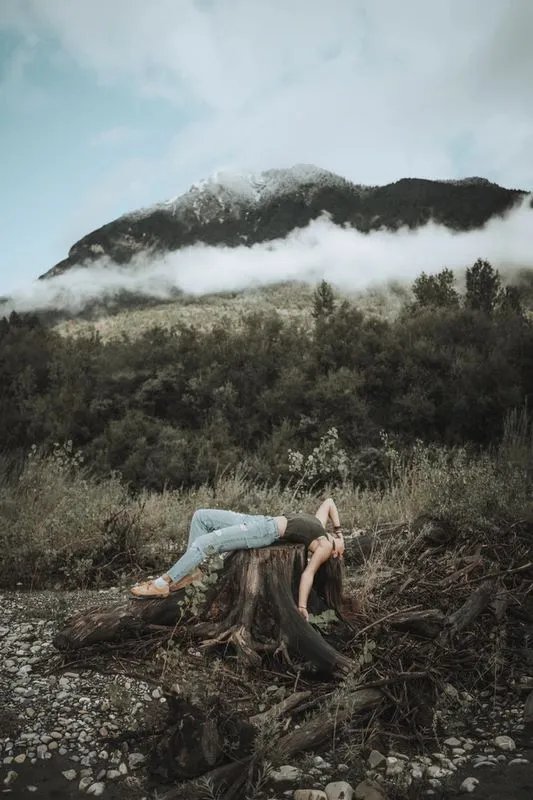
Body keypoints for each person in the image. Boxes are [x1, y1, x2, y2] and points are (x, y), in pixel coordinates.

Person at [130, 498, 346, 620]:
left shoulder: (326, 547)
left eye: (342, 549)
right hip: (259, 521)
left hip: (263, 533)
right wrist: (339, 531)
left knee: (204, 544)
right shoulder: (322, 529)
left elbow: (308, 574)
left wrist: (301, 607)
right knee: (201, 517)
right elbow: (329, 502)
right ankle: (190, 572)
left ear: (335, 556)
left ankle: (163, 583)